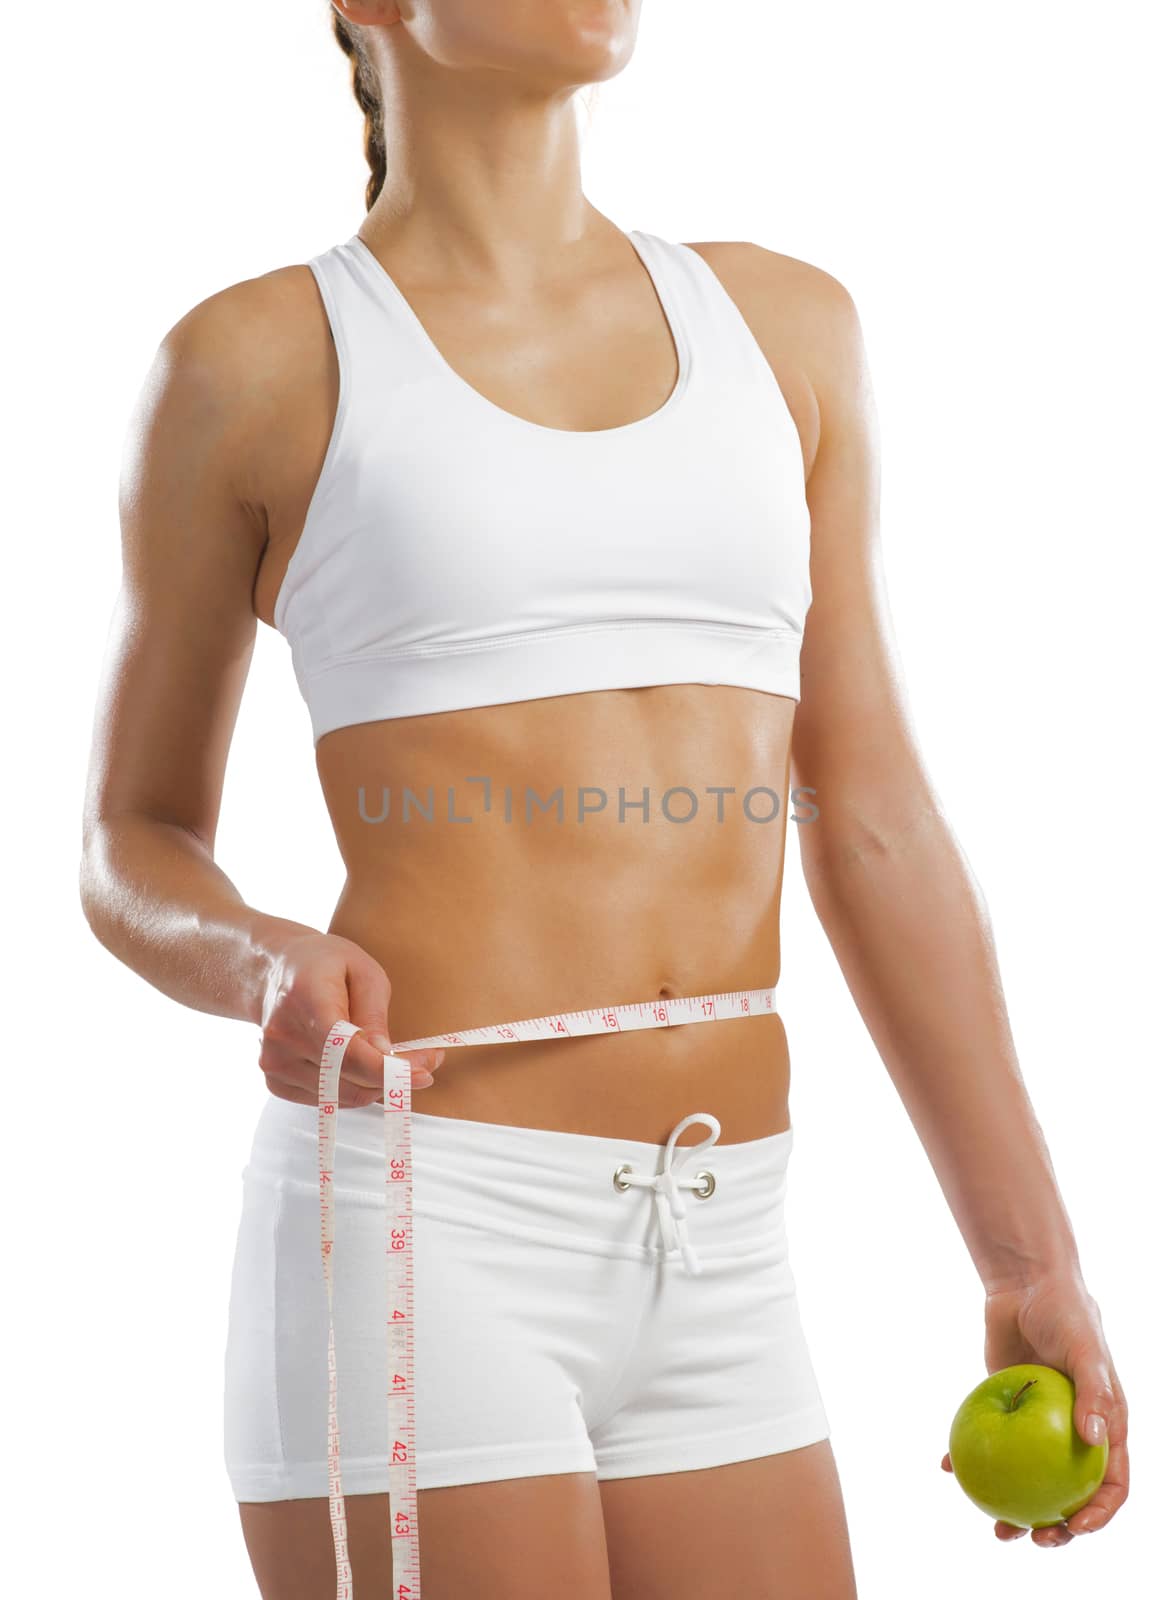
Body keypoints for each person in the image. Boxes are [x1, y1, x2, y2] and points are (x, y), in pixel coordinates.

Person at [78, 3, 1129, 1596]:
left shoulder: (782, 328)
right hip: (427, 1222)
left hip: (724, 1235)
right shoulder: (252, 363)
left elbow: (873, 813)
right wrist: (252, 961)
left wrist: (1029, 1258)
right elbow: (130, 841)